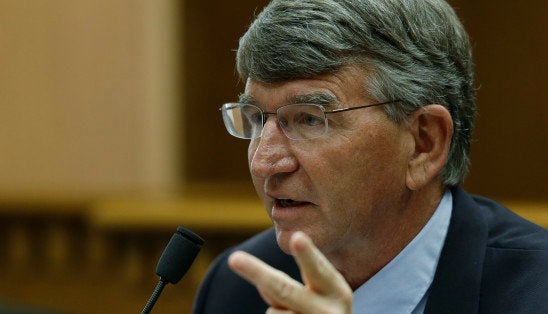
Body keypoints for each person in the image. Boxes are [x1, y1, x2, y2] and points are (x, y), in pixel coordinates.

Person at [192, 0, 548, 313]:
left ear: (424, 143)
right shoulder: (238, 287)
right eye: (256, 118)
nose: (263, 162)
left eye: (309, 119)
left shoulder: (536, 292)